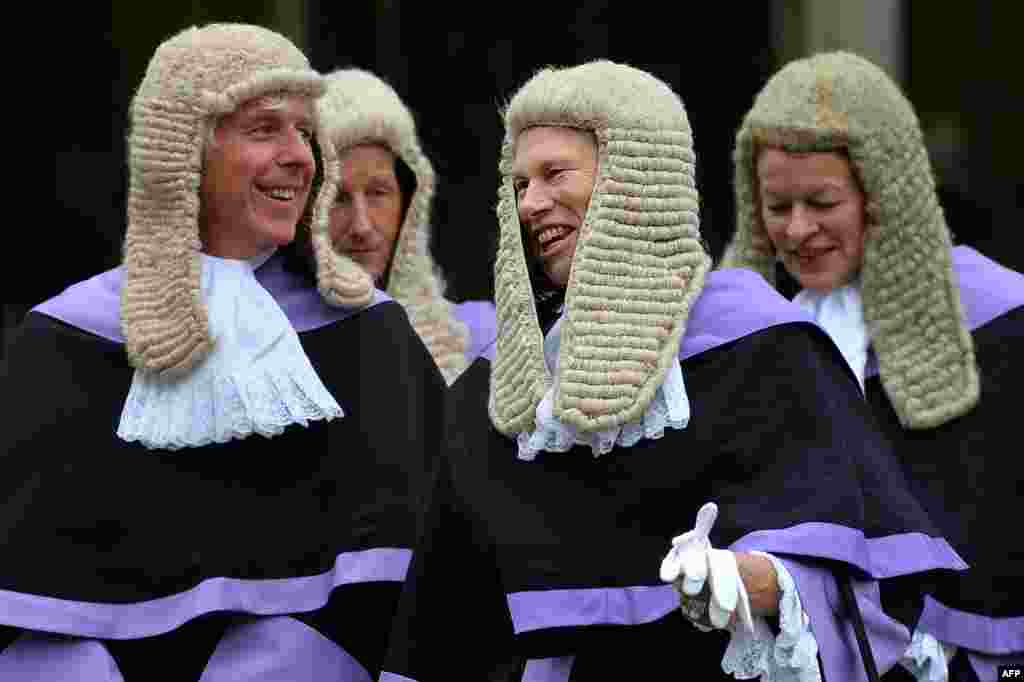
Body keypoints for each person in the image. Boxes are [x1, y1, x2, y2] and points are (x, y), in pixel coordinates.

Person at [379, 60, 966, 682]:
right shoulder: (500, 389)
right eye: (520, 183)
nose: (531, 202)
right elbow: (441, 621)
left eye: (554, 174)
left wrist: (751, 582)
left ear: (634, 177)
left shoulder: (765, 346)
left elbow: (854, 559)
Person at [0, 24, 444, 681]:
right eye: (266, 128)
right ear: (182, 151)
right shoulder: (64, 339)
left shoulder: (373, 339)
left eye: (306, 131)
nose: (300, 155)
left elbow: (425, 596)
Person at [721, 51, 1024, 680]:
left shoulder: (1002, 320)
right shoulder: (761, 333)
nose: (799, 230)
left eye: (822, 202)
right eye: (777, 208)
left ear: (886, 194)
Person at [317, 68, 497, 383]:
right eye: (338, 198)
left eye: (377, 193)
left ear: (410, 198)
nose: (361, 225)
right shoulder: (278, 340)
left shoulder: (478, 337)